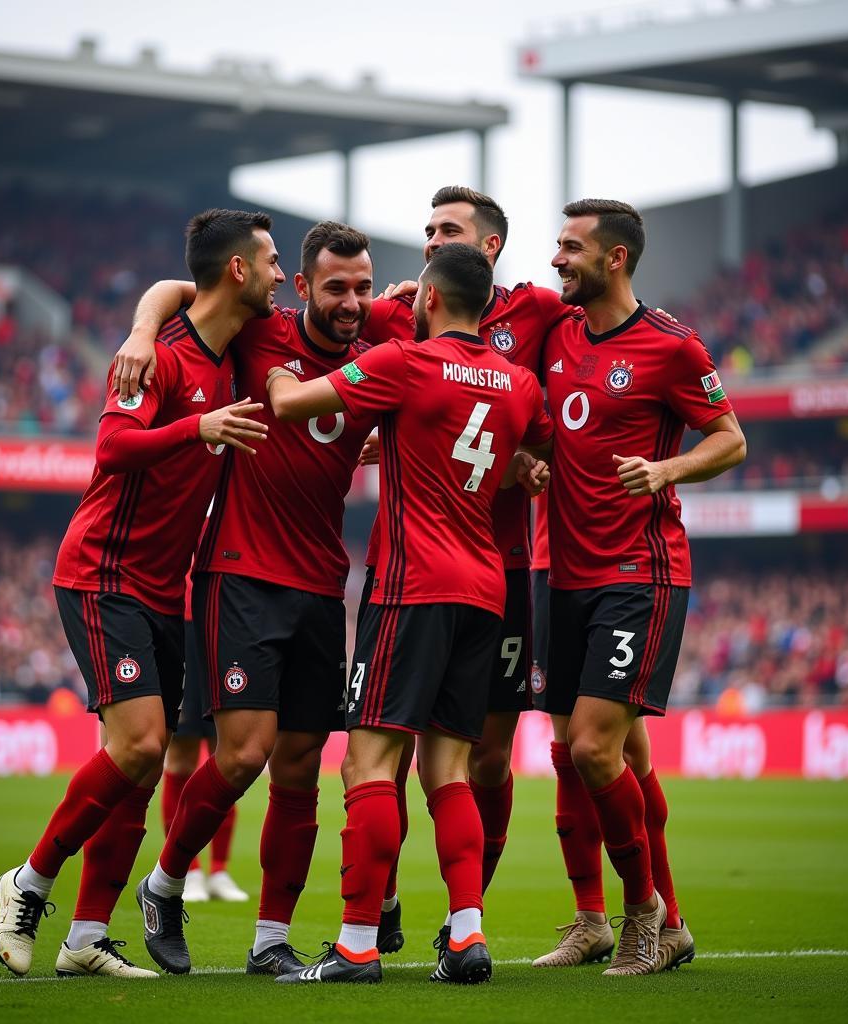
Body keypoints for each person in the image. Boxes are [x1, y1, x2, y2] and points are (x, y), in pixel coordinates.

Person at [0, 208, 279, 979]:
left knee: (142, 768)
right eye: (273, 261)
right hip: (102, 574)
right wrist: (195, 422)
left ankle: (86, 939)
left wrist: (145, 317)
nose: (283, 276)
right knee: (143, 745)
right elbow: (114, 448)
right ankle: (29, 881)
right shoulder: (164, 359)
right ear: (239, 272)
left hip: (165, 589)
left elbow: (171, 283)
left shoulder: (229, 343)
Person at [122, 223, 413, 976]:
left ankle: (268, 942)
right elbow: (179, 288)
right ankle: (164, 882)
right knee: (244, 752)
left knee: (299, 766)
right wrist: (141, 330)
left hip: (323, 582)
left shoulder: (376, 337)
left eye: (362, 286)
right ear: (304, 286)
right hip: (242, 572)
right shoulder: (260, 327)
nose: (351, 302)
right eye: (335, 287)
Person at [266, 244, 553, 985]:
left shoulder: (404, 362)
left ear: (427, 298)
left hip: (411, 587)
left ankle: (358, 944)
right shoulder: (518, 382)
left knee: (368, 761)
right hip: (486, 590)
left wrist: (272, 369)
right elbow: (534, 442)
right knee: (449, 767)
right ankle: (466, 935)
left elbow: (291, 403)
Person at [537, 198, 746, 976]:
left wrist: (666, 468)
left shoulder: (669, 345)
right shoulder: (555, 333)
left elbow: (730, 438)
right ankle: (645, 920)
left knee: (595, 748)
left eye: (571, 247)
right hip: (563, 574)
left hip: (639, 571)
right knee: (580, 748)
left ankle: (644, 915)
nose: (557, 258)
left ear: (614, 258)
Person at [363, 186, 569, 955]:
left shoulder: (545, 314)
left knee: (479, 757)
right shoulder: (398, 314)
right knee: (397, 748)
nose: (427, 242)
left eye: (444, 230)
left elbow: (550, 434)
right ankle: (382, 903)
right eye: (424, 229)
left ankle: (462, 916)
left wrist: (523, 466)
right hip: (413, 566)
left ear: (486, 247)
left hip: (505, 571)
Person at [159, 568, 247, 905]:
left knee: (226, 757)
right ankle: (188, 869)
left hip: (224, 620)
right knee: (181, 756)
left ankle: (220, 869)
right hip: (181, 622)